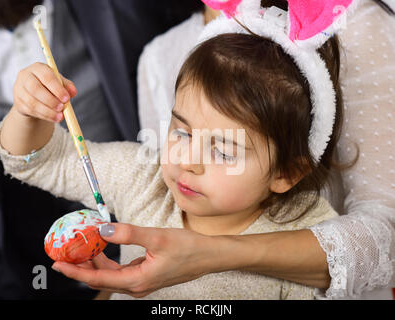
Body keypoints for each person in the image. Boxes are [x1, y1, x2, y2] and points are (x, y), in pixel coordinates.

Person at [0, 1, 349, 299]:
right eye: (181, 132)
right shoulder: (142, 179)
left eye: (224, 151)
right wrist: (27, 113)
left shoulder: (308, 233)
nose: (187, 161)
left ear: (286, 172)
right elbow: (41, 160)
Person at [134, 0, 395, 299]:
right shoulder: (157, 56)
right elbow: (159, 200)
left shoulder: (348, 21)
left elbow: (387, 236)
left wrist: (217, 254)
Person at [0, 0, 202, 299]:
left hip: (138, 213)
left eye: (227, 149)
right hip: (22, 255)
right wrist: (24, 114)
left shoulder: (142, 175)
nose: (196, 159)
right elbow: (33, 162)